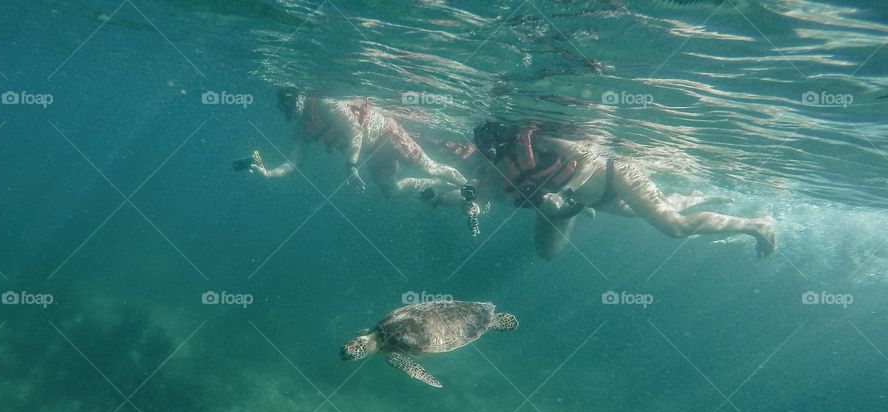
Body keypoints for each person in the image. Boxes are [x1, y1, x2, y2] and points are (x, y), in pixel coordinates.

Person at [430, 122, 776, 259]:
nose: (498, 158)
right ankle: (700, 198)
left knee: (674, 226)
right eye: (492, 154)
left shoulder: (539, 138)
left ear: (506, 138)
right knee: (664, 207)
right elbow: (477, 193)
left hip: (615, 177)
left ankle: (757, 226)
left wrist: (569, 192)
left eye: (499, 150)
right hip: (596, 198)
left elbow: (590, 156)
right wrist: (441, 199)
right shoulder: (495, 165)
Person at [244, 88, 468, 198]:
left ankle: (471, 189)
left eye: (292, 104)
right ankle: (440, 185)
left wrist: (351, 165)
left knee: (429, 167)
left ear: (301, 96)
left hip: (387, 135)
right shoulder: (303, 127)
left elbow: (355, 130)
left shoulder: (326, 104)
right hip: (372, 153)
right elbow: (292, 162)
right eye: (288, 108)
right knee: (392, 192)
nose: (293, 111)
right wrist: (268, 173)